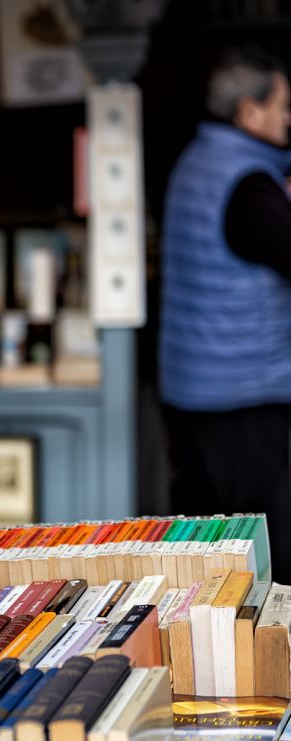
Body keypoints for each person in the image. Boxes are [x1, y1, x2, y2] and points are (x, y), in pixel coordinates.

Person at [161, 47, 291, 581]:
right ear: (248, 110)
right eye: (283, 105)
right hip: (244, 392)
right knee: (261, 557)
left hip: (196, 389)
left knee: (210, 551)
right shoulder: (248, 184)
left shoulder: (197, 160)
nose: (288, 118)